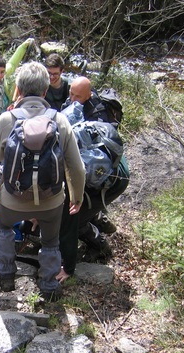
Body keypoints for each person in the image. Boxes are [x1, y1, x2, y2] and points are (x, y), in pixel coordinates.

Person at [0, 61, 85, 301]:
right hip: (51, 200)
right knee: (51, 240)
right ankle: (49, 286)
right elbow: (76, 167)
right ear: (45, 91)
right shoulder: (60, 120)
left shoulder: (7, 119)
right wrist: (77, 196)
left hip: (13, 199)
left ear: (18, 90)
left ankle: (7, 274)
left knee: (3, 227)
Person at [58, 76, 129, 281]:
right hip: (100, 171)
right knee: (86, 205)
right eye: (70, 93)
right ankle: (104, 223)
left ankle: (101, 248)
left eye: (76, 96)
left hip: (113, 177)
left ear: (89, 94)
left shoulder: (98, 115)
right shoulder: (74, 105)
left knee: (76, 218)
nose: (71, 99)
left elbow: (83, 169)